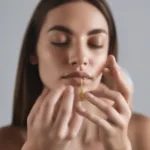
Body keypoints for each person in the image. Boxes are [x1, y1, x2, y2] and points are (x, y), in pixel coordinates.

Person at [0, 0, 150, 150]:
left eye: (95, 43)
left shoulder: (142, 133)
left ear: (108, 56)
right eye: (60, 41)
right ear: (33, 53)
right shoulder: (5, 142)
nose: (80, 57)